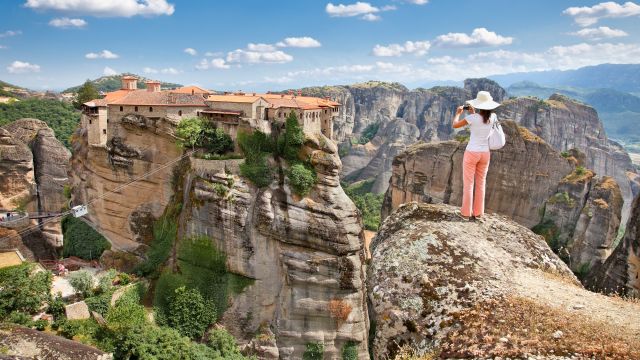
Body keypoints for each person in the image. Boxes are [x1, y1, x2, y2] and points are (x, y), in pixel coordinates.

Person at [452, 91, 501, 221]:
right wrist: (473, 113)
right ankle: (478, 214)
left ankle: (465, 214)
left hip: (471, 153)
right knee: (481, 183)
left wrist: (458, 113)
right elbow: (482, 123)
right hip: (485, 154)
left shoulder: (473, 118)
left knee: (469, 183)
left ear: (479, 105)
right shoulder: (494, 117)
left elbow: (455, 125)